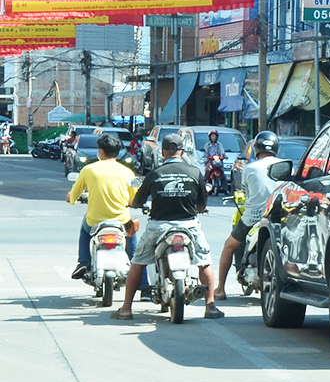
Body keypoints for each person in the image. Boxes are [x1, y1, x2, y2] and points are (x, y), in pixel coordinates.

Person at [112, 131, 222, 320]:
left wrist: (132, 203)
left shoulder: (155, 174)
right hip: (189, 226)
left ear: (163, 152)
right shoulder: (194, 172)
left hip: (158, 227)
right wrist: (196, 208)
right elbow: (202, 205)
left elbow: (138, 201)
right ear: (182, 151)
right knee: (204, 261)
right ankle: (210, 306)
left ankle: (126, 309)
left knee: (137, 263)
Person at [215, 131, 284, 299]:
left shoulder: (250, 168)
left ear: (257, 148)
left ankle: (220, 289)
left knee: (228, 247)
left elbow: (244, 192)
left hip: (253, 218)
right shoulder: (286, 165)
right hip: (279, 219)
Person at [65, 133, 136, 280]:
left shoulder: (89, 170)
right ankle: (143, 283)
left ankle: (83, 262)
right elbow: (134, 198)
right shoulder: (128, 172)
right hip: (121, 220)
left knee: (84, 230)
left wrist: (71, 198)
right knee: (134, 248)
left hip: (94, 221)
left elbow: (75, 192)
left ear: (101, 152)